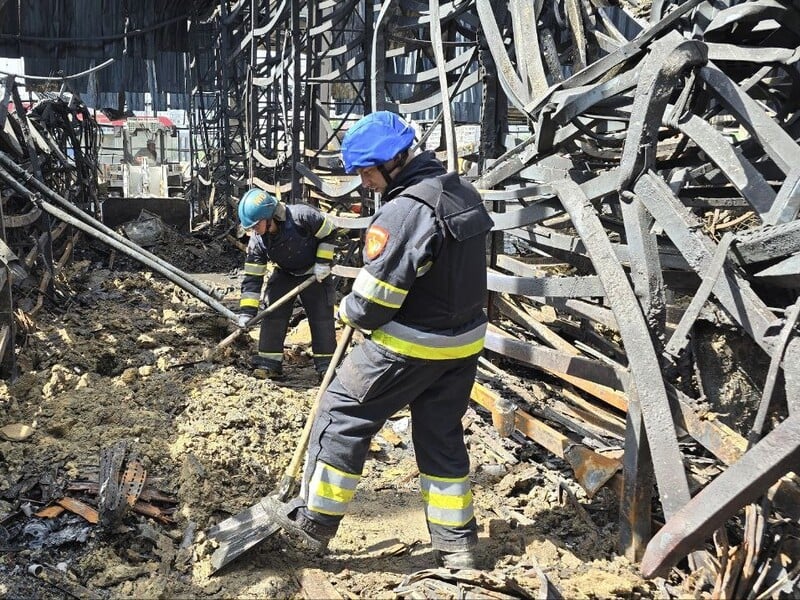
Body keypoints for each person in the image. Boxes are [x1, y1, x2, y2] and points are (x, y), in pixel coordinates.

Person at [262, 111, 494, 569]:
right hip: (464, 344)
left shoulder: (406, 210)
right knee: (440, 436)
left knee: (342, 412)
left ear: (398, 159)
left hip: (412, 344)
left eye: (368, 171)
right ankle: (457, 544)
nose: (365, 182)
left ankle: (313, 525)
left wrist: (346, 309)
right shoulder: (461, 193)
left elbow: (373, 303)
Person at [237, 188, 337, 380]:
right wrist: (246, 313)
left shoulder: (302, 216)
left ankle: (327, 367)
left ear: (270, 217)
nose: (253, 231)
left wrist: (323, 262)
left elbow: (330, 233)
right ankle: (269, 364)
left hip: (315, 273)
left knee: (321, 317)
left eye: (256, 225)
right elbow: (252, 278)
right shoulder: (258, 242)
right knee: (273, 312)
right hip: (286, 273)